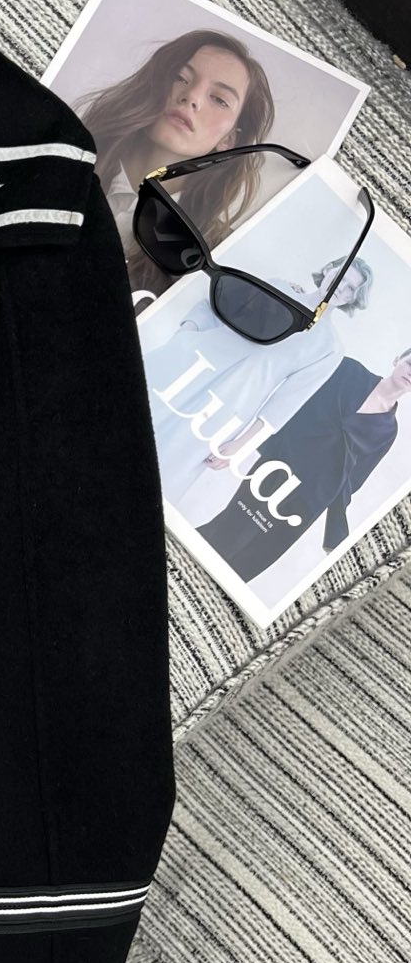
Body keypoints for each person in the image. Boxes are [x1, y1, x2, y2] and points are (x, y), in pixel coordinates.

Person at [142, 255, 373, 505]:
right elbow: (216, 306)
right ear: (328, 269)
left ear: (353, 298)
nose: (341, 287)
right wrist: (186, 334)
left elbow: (286, 403)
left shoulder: (330, 347)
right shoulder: (278, 287)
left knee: (168, 467)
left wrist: (241, 445)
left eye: (351, 288)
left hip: (227, 406)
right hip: (193, 365)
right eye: (341, 277)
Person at [76, 29, 275, 301]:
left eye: (219, 99)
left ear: (229, 138)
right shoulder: (71, 152)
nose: (192, 97)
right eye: (180, 77)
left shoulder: (214, 257)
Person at [195, 346, 411, 582]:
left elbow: (351, 481)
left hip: (310, 501)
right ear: (397, 360)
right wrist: (241, 445)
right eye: (410, 364)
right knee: (227, 532)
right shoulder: (348, 370)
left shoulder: (388, 431)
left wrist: (336, 536)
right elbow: (289, 405)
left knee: (250, 562)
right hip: (277, 468)